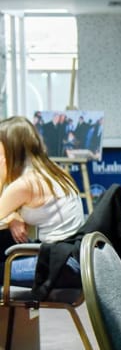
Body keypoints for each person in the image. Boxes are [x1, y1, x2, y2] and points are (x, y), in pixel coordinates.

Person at [0, 116, 84, 285]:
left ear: (10, 149)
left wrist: (1, 175)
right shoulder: (52, 170)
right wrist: (11, 217)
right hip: (72, 257)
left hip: (61, 265)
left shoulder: (26, 183)